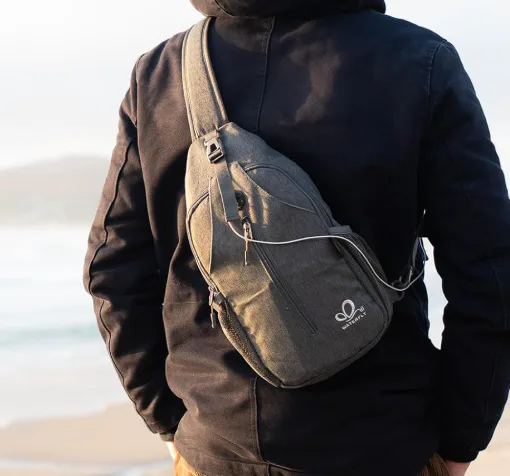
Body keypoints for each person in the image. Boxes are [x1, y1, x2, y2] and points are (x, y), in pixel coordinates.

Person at [83, 1, 510, 475]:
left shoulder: (162, 76)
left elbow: (111, 269)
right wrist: (462, 439)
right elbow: (490, 272)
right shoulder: (419, 63)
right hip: (384, 444)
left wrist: (168, 420)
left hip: (214, 449)